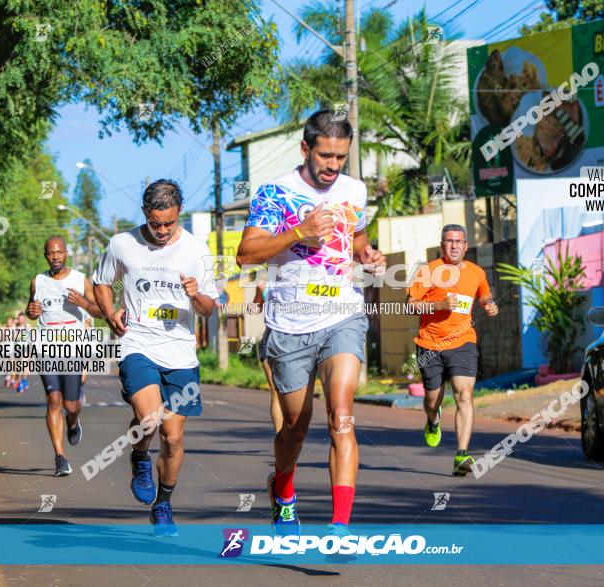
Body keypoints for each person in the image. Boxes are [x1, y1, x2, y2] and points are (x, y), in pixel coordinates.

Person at [236, 110, 386, 538]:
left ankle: (339, 528)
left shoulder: (354, 190)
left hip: (343, 314)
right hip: (289, 324)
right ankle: (282, 489)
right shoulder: (275, 192)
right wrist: (298, 232)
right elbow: (246, 254)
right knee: (294, 430)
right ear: (306, 148)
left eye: (341, 157)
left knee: (341, 415)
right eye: (325, 156)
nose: (333, 166)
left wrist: (368, 255)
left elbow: (356, 237)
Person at [93, 179, 218, 536]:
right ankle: (139, 458)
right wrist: (108, 312)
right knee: (148, 418)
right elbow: (101, 282)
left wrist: (196, 296)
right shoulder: (122, 244)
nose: (162, 231)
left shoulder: (196, 249)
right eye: (155, 223)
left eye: (169, 223)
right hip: (138, 344)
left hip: (180, 353)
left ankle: (163, 504)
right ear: (145, 215)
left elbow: (208, 309)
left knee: (173, 437)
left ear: (179, 212)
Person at [406, 224, 498, 476]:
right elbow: (410, 305)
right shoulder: (429, 271)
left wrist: (489, 305)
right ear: (442, 245)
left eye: (459, 241)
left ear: (466, 245)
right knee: (432, 400)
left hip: (463, 341)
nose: (454, 245)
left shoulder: (476, 273)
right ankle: (433, 420)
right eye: (449, 241)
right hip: (430, 343)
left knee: (464, 394)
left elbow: (484, 296)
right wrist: (439, 304)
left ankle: (462, 454)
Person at [26, 236, 104, 476]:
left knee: (71, 405)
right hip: (46, 348)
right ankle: (60, 458)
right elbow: (30, 311)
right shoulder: (37, 281)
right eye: (51, 253)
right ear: (45, 255)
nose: (55, 256)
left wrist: (82, 302)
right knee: (54, 400)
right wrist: (30, 311)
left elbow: (101, 311)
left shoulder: (81, 280)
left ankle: (73, 421)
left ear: (66, 253)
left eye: (59, 252)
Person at [253, 281, 282, 434]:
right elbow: (255, 308)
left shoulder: (264, 285)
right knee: (277, 392)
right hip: (273, 341)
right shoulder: (265, 286)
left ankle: (285, 441)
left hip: (281, 340)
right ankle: (282, 439)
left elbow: (255, 308)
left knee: (278, 393)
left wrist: (261, 292)